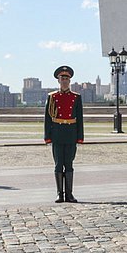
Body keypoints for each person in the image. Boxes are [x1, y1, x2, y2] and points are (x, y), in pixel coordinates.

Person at [44, 65, 84, 203]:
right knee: (58, 164)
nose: (65, 80)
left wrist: (80, 137)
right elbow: (47, 118)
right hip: (57, 134)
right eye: (62, 78)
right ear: (58, 80)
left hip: (71, 133)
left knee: (69, 164)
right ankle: (60, 194)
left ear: (70, 80)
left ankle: (69, 194)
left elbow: (80, 118)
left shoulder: (76, 97)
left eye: (67, 78)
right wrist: (47, 136)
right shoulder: (52, 97)